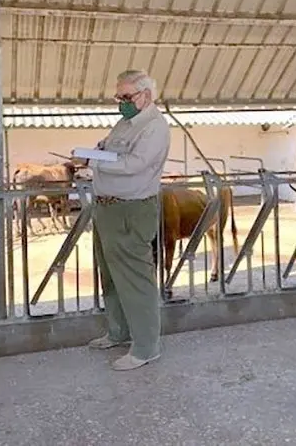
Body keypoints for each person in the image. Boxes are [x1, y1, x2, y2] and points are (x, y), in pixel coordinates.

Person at [73, 70, 171, 371]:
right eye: (119, 97)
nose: (121, 103)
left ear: (146, 95)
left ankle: (145, 347)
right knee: (112, 276)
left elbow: (135, 164)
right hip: (107, 208)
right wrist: (96, 154)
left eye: (126, 97)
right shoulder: (125, 123)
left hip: (132, 209)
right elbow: (107, 149)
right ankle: (118, 331)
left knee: (135, 279)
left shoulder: (155, 127)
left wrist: (95, 161)